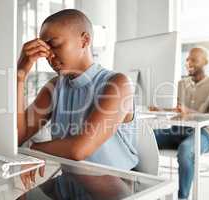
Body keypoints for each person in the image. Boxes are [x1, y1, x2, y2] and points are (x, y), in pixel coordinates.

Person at [17, 9, 138, 189]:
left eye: (55, 45)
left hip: (117, 185)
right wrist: (19, 76)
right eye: (46, 49)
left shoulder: (118, 83)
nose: (49, 56)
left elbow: (79, 149)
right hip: (74, 182)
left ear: (85, 40)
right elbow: (18, 135)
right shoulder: (54, 87)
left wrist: (34, 151)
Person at [150, 47, 209, 200]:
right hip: (178, 131)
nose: (188, 62)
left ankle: (183, 198)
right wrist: (163, 109)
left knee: (186, 150)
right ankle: (144, 190)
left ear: (205, 62)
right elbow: (182, 111)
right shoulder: (182, 83)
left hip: (203, 134)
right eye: (187, 59)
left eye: (194, 59)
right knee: (145, 139)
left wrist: (189, 112)